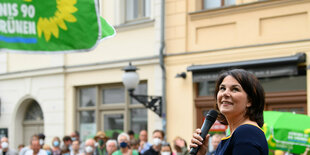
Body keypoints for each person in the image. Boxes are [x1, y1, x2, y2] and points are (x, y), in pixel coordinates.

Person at [190, 69, 268, 155]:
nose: (225, 93)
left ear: (250, 100)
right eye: (222, 88)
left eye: (235, 89)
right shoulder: (233, 136)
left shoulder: (246, 132)